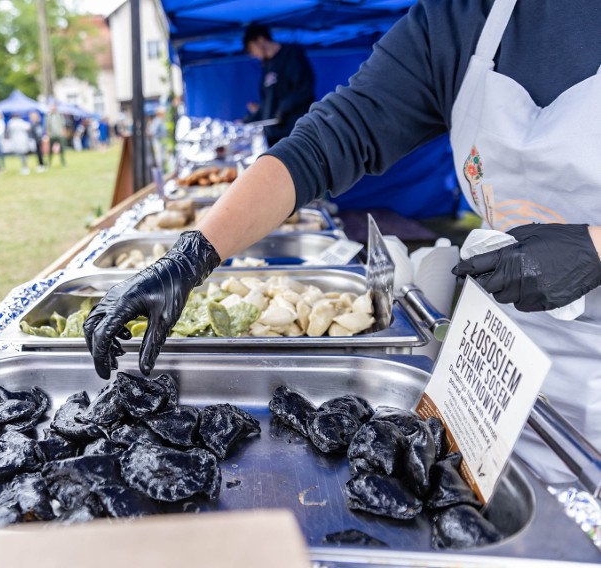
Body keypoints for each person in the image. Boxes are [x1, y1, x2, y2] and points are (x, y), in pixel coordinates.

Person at [84, 0, 601, 484]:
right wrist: (193, 253)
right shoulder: (459, 18)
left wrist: (593, 249)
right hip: (500, 366)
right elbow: (334, 136)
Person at [241, 23, 315, 147]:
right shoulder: (267, 66)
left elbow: (305, 90)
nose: (253, 54)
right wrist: (247, 120)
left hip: (294, 134)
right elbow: (267, 104)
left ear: (260, 40)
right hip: (273, 138)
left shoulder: (291, 55)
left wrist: (284, 108)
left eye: (252, 48)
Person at [46, 103, 67, 167]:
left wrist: (63, 133)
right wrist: (48, 134)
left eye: (54, 107)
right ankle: (49, 163)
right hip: (52, 135)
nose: (53, 108)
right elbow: (47, 126)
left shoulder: (59, 115)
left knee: (62, 149)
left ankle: (63, 163)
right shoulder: (49, 116)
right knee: (50, 150)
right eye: (52, 107)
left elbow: (63, 125)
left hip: (59, 135)